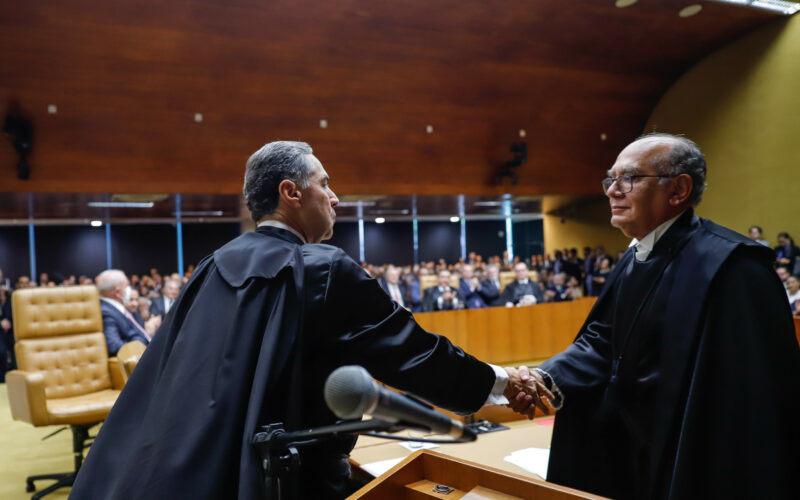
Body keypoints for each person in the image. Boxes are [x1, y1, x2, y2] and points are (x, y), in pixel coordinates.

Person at [71, 141, 540, 499]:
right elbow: (413, 353)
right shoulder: (321, 268)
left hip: (194, 470)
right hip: (289, 479)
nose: (335, 198)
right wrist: (501, 382)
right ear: (291, 192)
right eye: (325, 184)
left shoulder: (212, 265)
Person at [511, 133, 800, 499]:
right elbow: (603, 340)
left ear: (678, 190)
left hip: (692, 452)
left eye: (629, 178)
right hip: (630, 447)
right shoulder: (634, 257)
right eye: (610, 179)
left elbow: (753, 395)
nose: (612, 191)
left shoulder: (733, 266)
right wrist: (544, 377)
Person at [96, 270, 151, 355]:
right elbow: (114, 346)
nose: (129, 289)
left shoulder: (116, 308)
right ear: (117, 292)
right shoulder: (105, 312)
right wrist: (137, 340)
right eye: (127, 286)